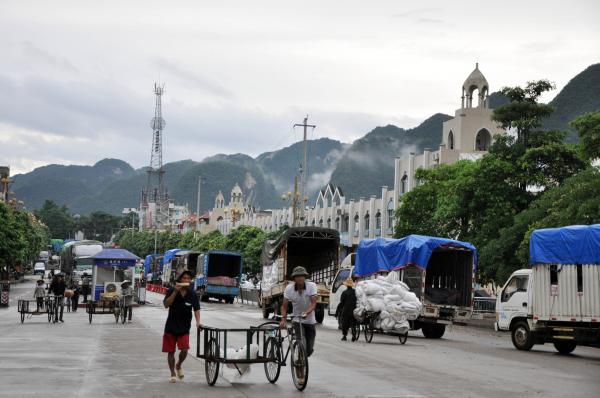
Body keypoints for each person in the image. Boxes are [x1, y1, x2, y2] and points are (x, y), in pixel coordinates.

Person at [162, 270, 201, 383]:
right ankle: (172, 373)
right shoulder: (171, 290)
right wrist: (175, 291)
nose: (186, 280)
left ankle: (178, 365)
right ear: (179, 279)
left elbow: (197, 309)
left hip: (184, 327)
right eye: (184, 278)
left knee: (184, 350)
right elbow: (166, 305)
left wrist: (198, 322)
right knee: (171, 351)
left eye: (188, 278)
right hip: (171, 326)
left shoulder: (192, 293)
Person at [280, 266, 317, 357]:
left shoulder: (311, 286)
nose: (300, 278)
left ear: (305, 277)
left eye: (302, 276)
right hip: (297, 320)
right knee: (301, 344)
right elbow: (284, 306)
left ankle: (302, 359)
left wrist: (306, 312)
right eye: (297, 276)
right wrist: (283, 320)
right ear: (294, 278)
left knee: (309, 350)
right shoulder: (289, 288)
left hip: (310, 320)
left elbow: (313, 303)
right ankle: (299, 365)